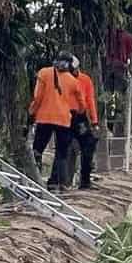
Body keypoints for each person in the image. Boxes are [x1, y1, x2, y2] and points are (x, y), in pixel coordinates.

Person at [29, 51, 80, 192]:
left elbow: (37, 97)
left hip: (44, 118)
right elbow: (80, 103)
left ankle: (34, 181)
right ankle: (58, 185)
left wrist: (32, 112)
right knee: (61, 153)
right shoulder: (73, 81)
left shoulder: (44, 73)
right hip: (63, 120)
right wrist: (78, 112)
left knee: (37, 150)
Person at [68, 55, 99, 189]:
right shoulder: (62, 78)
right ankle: (61, 182)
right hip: (65, 116)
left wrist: (94, 121)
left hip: (80, 117)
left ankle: (85, 181)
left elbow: (90, 101)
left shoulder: (85, 80)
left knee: (88, 145)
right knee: (63, 149)